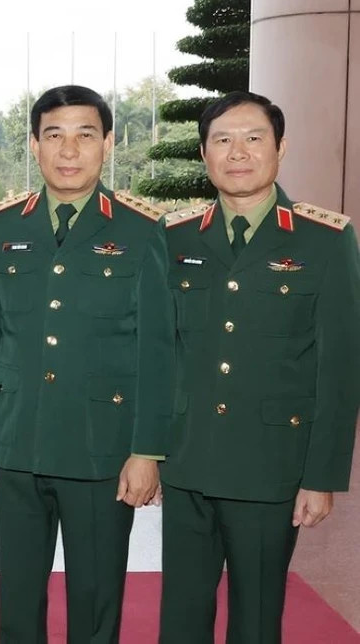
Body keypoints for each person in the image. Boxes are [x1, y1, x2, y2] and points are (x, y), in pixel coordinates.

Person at [0, 85, 175, 643]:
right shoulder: (4, 225)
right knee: (18, 595)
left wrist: (147, 450)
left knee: (94, 600)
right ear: (34, 145)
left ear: (107, 144)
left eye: (85, 135)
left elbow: (158, 350)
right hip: (19, 441)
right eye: (54, 135)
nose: (69, 150)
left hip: (102, 448)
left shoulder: (140, 229)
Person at [159, 90, 360, 644]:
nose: (238, 152)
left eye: (253, 138)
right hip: (187, 457)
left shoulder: (325, 239)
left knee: (256, 618)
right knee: (180, 616)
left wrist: (321, 478)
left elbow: (339, 369)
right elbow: (159, 353)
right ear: (204, 154)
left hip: (271, 466)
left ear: (280, 149)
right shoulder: (174, 238)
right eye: (222, 140)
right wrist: (147, 450)